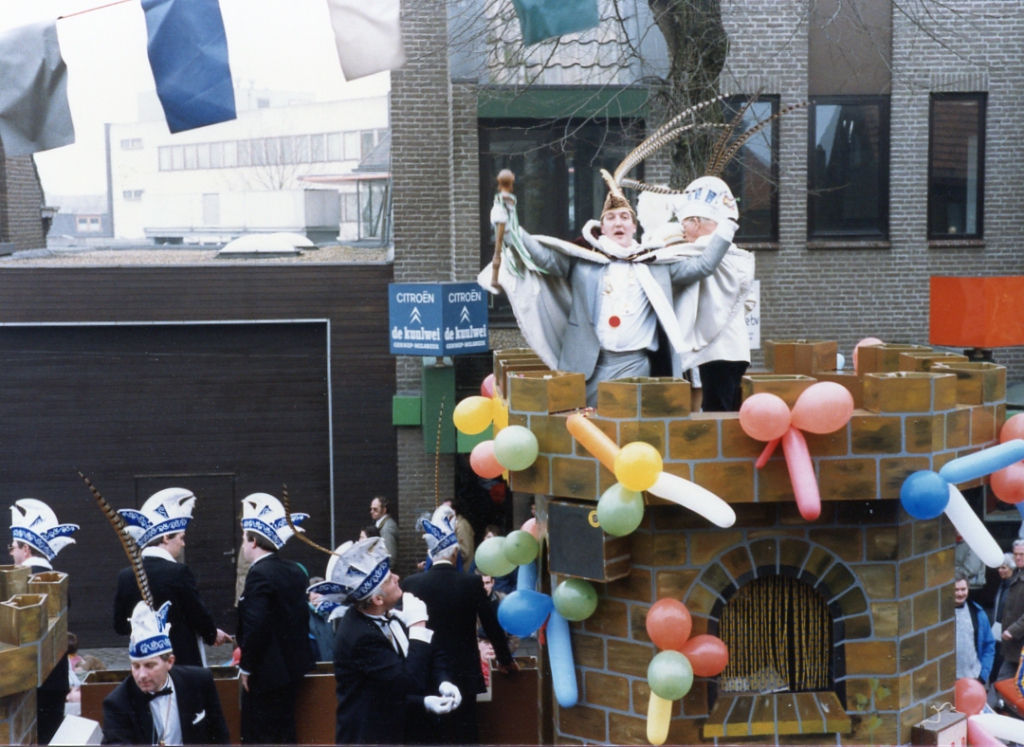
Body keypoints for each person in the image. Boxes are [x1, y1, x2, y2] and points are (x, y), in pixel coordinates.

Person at [325, 537, 459, 745]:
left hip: (402, 728)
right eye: (388, 579)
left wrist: (444, 681)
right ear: (377, 599)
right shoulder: (360, 636)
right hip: (371, 736)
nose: (397, 577)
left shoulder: (387, 612)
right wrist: (418, 625)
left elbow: (431, 652)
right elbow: (407, 682)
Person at [402, 507, 517, 744]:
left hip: (425, 670)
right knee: (465, 735)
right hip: (464, 672)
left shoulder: (412, 583)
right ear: (456, 553)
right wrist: (505, 659)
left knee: (430, 736)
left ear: (431, 554)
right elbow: (492, 625)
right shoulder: (472, 583)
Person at [113, 488, 231, 667]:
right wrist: (212, 634)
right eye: (181, 538)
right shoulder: (178, 572)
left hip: (145, 663)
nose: (183, 544)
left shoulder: (125, 576)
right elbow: (197, 613)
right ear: (166, 537)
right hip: (181, 662)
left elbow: (120, 626)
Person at [236, 492, 315, 744]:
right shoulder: (294, 570)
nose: (243, 545)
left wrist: (246, 666)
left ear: (253, 541)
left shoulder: (259, 574)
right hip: (293, 669)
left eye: (244, 539)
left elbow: (256, 625)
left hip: (266, 674)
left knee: (260, 736)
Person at [102, 600, 230, 745]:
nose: (141, 675)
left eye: (149, 665)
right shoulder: (117, 702)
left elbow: (221, 738)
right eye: (136, 666)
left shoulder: (200, 681)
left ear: (169, 662)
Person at [674, 179, 753, 412]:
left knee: (716, 417)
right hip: (736, 348)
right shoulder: (734, 252)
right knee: (729, 411)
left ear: (696, 223)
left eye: (684, 225)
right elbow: (749, 302)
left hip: (716, 350)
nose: (682, 232)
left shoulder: (703, 249)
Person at [9, 498, 78, 744]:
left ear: (26, 549)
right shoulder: (58, 579)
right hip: (54, 680)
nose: (11, 553)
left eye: (13, 547)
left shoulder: (15, 581)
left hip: (21, 681)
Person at [954, 573, 995, 683]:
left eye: (963, 589)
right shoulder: (939, 616)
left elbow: (989, 645)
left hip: (973, 678)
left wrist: (982, 676)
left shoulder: (977, 613)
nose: (960, 593)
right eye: (956, 590)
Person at [996, 541, 1024, 685]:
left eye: (1022, 554)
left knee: (1005, 684)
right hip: (1013, 647)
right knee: (1004, 684)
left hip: (1019, 644)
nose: (1018, 557)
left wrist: (1013, 630)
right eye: (1016, 554)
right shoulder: (1016, 574)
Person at [989, 553, 1015, 684]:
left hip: (1009, 633)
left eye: (1004, 567)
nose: (1000, 570)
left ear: (1012, 568)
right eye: (999, 568)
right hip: (997, 630)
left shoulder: (1015, 587)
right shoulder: (1003, 584)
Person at [370, 496, 399, 562]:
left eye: (375, 509)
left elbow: (391, 557)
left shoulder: (387, 529)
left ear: (384, 510)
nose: (371, 511)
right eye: (371, 509)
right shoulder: (382, 524)